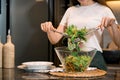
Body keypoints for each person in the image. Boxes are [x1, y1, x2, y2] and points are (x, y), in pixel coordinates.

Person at [40, 0, 117, 71]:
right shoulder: (70, 10)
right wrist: (49, 29)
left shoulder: (104, 10)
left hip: (94, 58)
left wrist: (113, 25)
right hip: (73, 57)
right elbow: (54, 39)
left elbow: (118, 43)